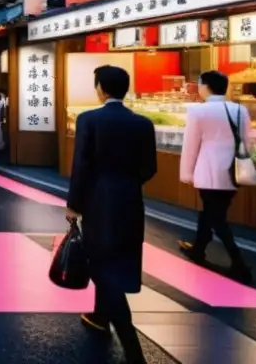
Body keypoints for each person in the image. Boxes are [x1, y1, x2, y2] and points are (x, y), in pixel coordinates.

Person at [67, 65, 156, 364]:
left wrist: (74, 203)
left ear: (101, 88)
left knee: (102, 266)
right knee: (120, 258)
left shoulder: (88, 120)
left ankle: (133, 350)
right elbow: (149, 168)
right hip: (131, 200)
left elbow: (81, 165)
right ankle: (99, 317)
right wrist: (127, 183)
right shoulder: (143, 123)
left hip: (98, 202)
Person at [177, 70, 252, 282]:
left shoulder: (198, 112)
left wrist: (186, 173)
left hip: (209, 170)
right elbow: (247, 141)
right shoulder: (240, 110)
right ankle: (198, 248)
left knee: (216, 217)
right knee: (211, 210)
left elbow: (190, 145)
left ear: (205, 86)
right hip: (233, 171)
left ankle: (238, 262)